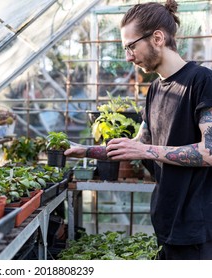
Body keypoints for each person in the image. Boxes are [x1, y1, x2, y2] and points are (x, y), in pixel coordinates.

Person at [65, 0, 212, 260]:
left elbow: (209, 152)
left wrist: (145, 150)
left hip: (197, 230)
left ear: (157, 37)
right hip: (166, 223)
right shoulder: (154, 90)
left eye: (131, 46)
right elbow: (136, 144)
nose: (128, 56)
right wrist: (84, 150)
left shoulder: (202, 81)